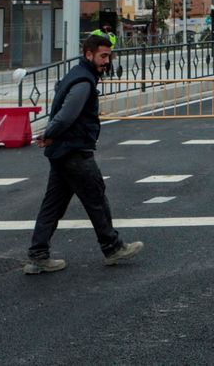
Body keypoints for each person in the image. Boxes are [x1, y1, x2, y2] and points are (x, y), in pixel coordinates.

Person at [25, 33, 143, 274]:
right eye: (102, 56)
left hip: (62, 150)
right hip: (74, 151)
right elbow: (67, 115)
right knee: (95, 196)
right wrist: (50, 134)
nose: (106, 61)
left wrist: (51, 137)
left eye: (108, 56)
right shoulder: (84, 82)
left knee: (53, 204)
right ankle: (112, 247)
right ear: (88, 54)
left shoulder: (77, 75)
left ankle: (38, 255)